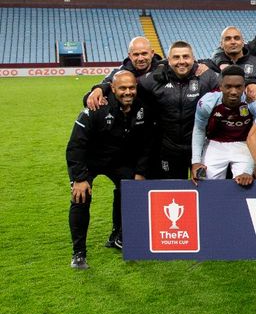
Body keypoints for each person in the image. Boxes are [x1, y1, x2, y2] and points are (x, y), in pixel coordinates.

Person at [66, 71, 153, 269]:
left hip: (117, 161)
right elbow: (75, 146)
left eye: (131, 88)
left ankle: (118, 236)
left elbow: (146, 143)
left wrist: (140, 171)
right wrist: (79, 178)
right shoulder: (96, 108)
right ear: (112, 89)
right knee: (80, 197)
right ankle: (78, 252)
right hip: (90, 161)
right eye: (122, 88)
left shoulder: (142, 108)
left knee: (129, 189)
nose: (128, 92)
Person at [134, 41, 220, 179]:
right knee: (172, 192)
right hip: (168, 149)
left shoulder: (207, 77)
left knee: (204, 192)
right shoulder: (155, 78)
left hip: (201, 148)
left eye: (186, 57)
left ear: (193, 58)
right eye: (176, 57)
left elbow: (231, 84)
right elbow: (127, 82)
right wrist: (103, 88)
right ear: (168, 60)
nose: (181, 61)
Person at [191, 66, 256, 186]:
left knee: (245, 184)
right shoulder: (207, 102)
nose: (234, 91)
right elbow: (199, 130)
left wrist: (248, 170)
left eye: (238, 87)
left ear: (245, 87)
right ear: (220, 87)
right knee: (205, 184)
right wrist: (196, 162)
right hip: (215, 144)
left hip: (245, 144)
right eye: (228, 86)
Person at [84, 37, 160, 110]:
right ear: (130, 55)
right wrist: (99, 89)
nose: (140, 58)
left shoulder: (163, 68)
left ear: (152, 53)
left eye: (144, 54)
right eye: (136, 54)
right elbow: (108, 82)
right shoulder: (122, 71)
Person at [204, 26, 256, 100]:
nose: (233, 42)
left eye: (236, 38)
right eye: (228, 39)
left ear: (243, 42)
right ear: (221, 44)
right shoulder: (210, 66)